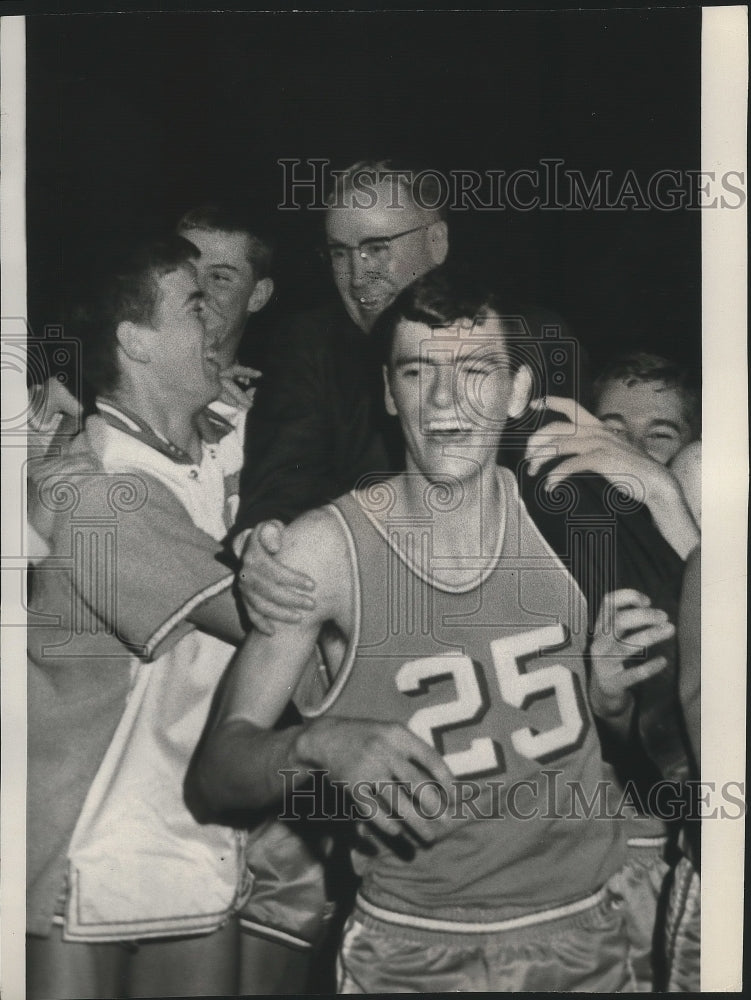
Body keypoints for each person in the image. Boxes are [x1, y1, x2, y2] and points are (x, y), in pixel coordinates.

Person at [197, 267, 677, 993]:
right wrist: (316, 743)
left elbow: (665, 738)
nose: (447, 400)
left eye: (476, 371)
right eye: (419, 371)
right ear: (390, 393)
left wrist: (610, 701)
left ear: (518, 393)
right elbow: (217, 777)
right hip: (410, 948)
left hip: (583, 936)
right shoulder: (323, 551)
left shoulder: (571, 520)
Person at [25, 233, 325, 999]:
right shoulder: (94, 494)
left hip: (190, 831)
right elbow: (266, 614)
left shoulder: (215, 446)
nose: (217, 318)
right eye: (193, 305)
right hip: (89, 843)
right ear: (135, 341)